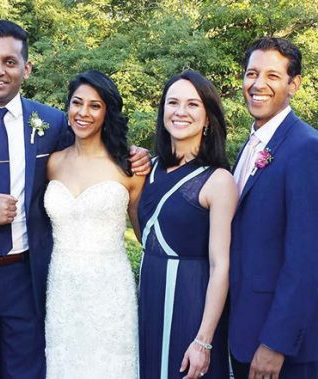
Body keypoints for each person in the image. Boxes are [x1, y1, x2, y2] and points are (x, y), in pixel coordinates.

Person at [0, 20, 150, 379]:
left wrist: (134, 154)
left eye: (10, 62)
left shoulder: (54, 123)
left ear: (26, 69)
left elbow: (88, 163)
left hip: (29, 280)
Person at [43, 70, 144, 378]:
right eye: (77, 103)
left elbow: (145, 235)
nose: (83, 113)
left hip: (110, 291)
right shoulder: (52, 163)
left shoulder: (130, 167)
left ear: (106, 112)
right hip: (62, 290)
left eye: (95, 105)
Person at [137, 70, 237, 379]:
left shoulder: (218, 180)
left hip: (191, 305)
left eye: (193, 104)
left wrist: (203, 341)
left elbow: (221, 266)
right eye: (173, 102)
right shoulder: (146, 168)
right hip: (148, 299)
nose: (181, 111)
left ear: (208, 117)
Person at [229, 37, 318, 379]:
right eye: (252, 73)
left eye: (272, 76)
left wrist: (275, 343)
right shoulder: (250, 145)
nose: (257, 84)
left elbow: (307, 258)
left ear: (293, 85)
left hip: (281, 350)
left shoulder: (306, 149)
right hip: (243, 331)